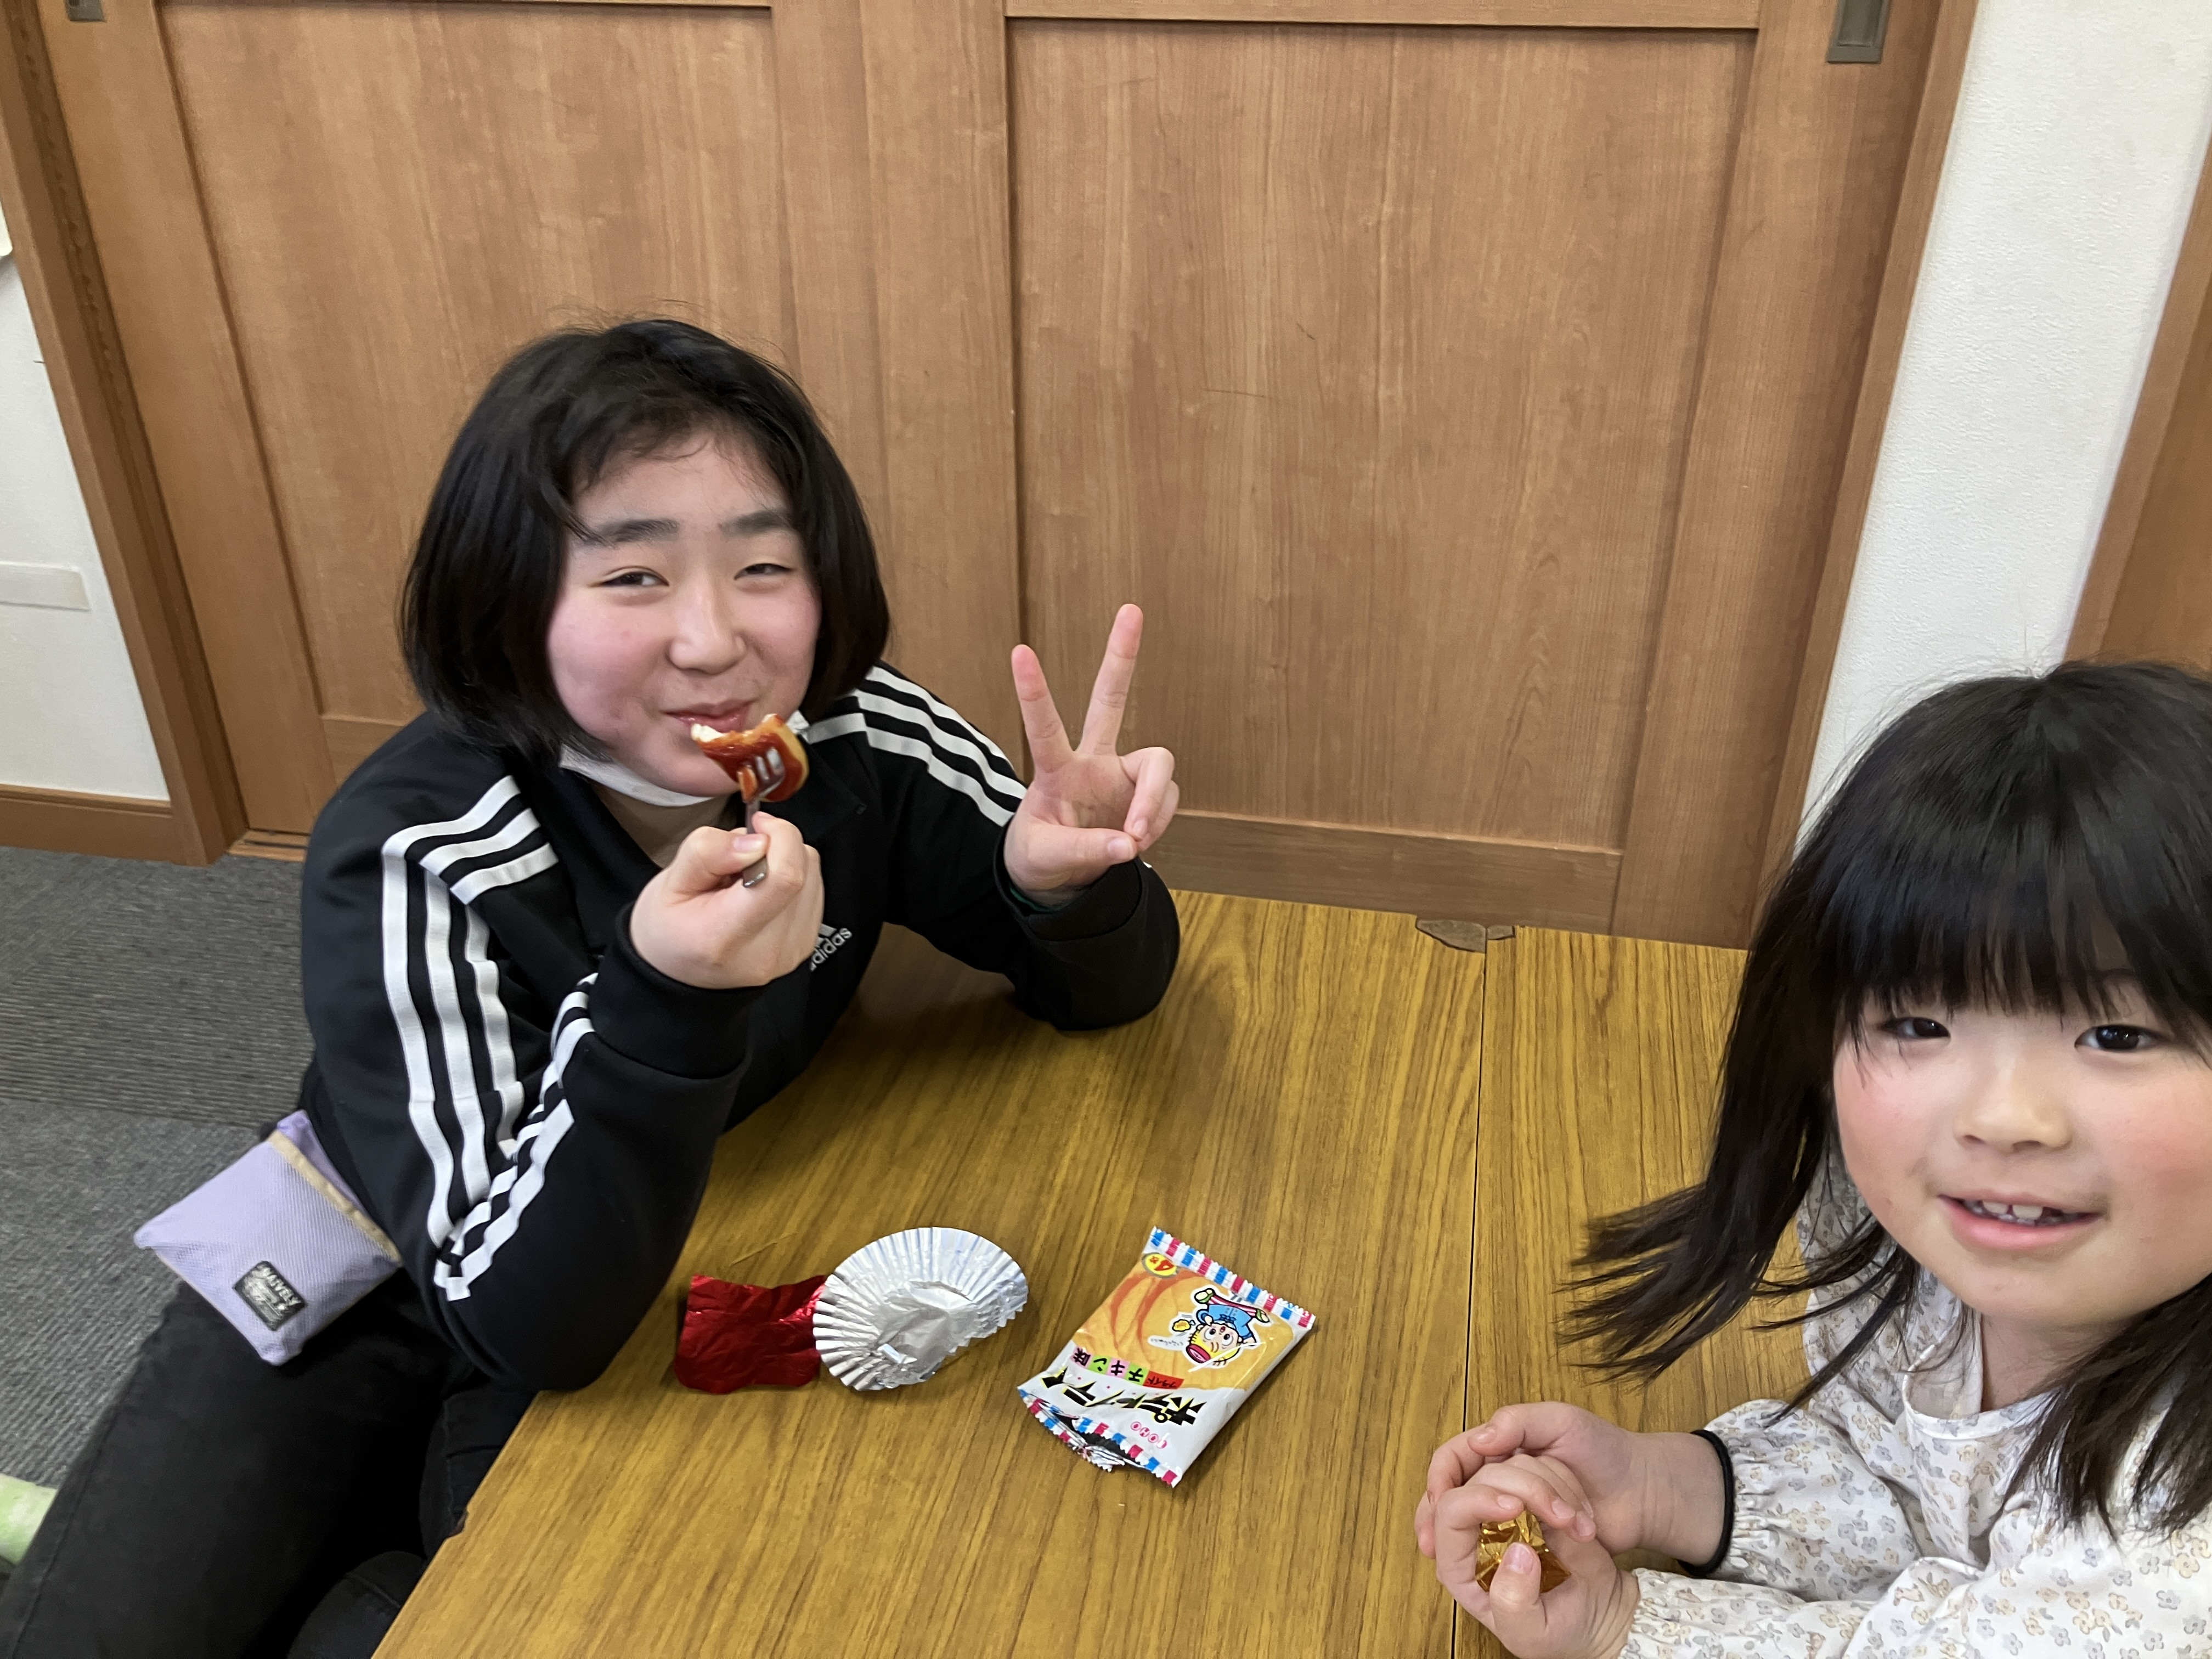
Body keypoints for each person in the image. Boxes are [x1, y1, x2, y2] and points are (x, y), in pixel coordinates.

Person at [0, 319, 1181, 1658]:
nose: (713, 640)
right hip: (384, 1260)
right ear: (510, 603)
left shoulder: (857, 734)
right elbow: (505, 1305)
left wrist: (1065, 885)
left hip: (647, 1255)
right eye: (631, 576)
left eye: (764, 565)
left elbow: (1112, 992)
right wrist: (661, 998)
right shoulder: (421, 847)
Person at [1418, 662, 2212, 1657]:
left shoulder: (2182, 1561)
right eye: (1919, 1023)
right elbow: (1899, 1482)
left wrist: (1624, 1624)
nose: (2005, 1119)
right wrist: (1666, 1487)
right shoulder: (1905, 1218)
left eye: (2119, 1036)